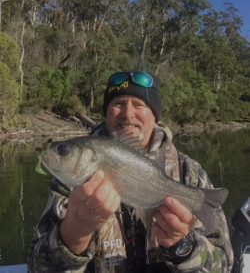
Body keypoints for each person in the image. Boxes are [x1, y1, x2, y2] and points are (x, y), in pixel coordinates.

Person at [27, 71, 234, 273]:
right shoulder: (69, 185)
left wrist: (183, 246)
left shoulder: (190, 173)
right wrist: (74, 233)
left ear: (154, 115)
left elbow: (225, 265)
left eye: (139, 105)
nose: (127, 114)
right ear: (106, 114)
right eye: (117, 104)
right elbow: (35, 268)